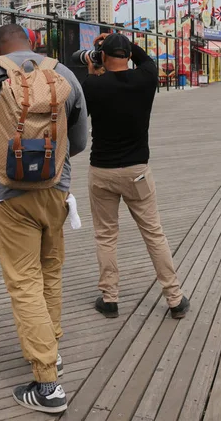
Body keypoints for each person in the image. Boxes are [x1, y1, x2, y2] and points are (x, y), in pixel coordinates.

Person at [0, 24, 87, 414]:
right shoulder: (65, 74)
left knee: (24, 283)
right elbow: (79, 142)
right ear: (33, 42)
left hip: (9, 194)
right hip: (57, 191)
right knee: (50, 275)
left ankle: (47, 385)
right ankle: (52, 350)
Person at [82, 33, 189, 320]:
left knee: (106, 236)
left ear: (103, 57)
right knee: (154, 234)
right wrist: (125, 43)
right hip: (137, 172)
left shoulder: (93, 85)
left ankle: (110, 298)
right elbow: (146, 60)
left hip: (102, 171)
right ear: (128, 56)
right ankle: (175, 299)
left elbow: (83, 110)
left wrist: (94, 70)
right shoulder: (145, 79)